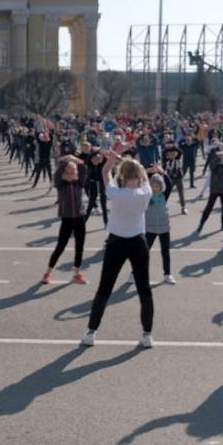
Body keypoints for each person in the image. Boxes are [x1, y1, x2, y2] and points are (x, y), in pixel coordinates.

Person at [81, 146, 155, 349]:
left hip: (116, 243)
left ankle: (91, 332)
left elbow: (105, 172)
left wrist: (113, 158)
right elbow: (143, 178)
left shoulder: (115, 192)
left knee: (104, 289)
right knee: (144, 289)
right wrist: (133, 164)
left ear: (122, 175)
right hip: (138, 243)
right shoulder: (145, 192)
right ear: (139, 175)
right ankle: (147, 335)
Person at [42, 155, 88, 285]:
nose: (72, 173)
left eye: (74, 171)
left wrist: (77, 160)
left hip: (80, 218)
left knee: (80, 247)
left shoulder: (79, 183)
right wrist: (65, 161)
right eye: (69, 171)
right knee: (60, 247)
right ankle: (48, 272)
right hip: (67, 219)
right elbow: (57, 173)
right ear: (64, 172)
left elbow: (83, 168)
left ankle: (77, 273)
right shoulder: (60, 184)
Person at [142, 172, 175, 285]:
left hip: (164, 229)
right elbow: (141, 183)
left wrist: (163, 172)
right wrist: (146, 172)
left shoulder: (164, 196)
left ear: (161, 186)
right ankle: (135, 273)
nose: (155, 188)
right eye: (153, 186)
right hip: (150, 229)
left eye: (158, 186)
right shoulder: (146, 197)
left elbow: (170, 184)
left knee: (165, 252)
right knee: (144, 252)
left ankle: (167, 274)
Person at [196, 146, 223, 234]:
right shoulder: (214, 161)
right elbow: (211, 166)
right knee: (209, 207)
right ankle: (201, 223)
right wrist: (217, 158)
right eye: (219, 154)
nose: (220, 155)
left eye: (222, 154)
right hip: (215, 189)